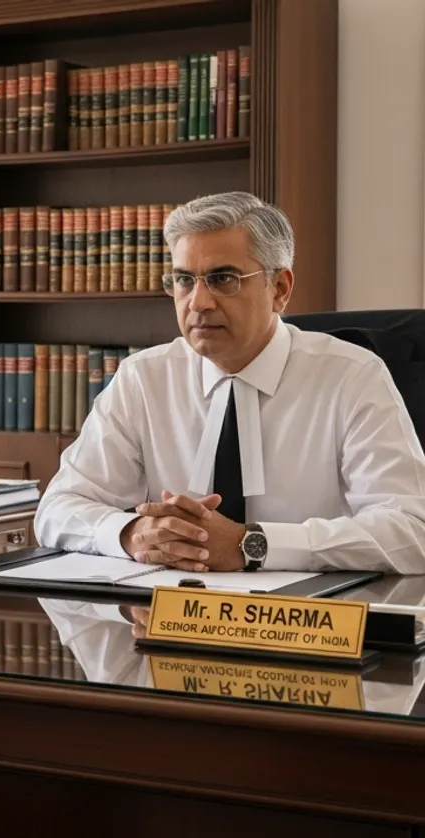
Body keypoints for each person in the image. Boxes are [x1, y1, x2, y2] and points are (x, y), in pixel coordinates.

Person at [34, 191, 425, 575]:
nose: (199, 302)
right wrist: (132, 533)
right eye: (184, 280)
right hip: (167, 619)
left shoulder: (352, 376)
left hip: (310, 624)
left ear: (280, 289)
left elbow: (410, 531)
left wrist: (251, 544)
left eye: (223, 279)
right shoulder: (143, 378)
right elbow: (57, 508)